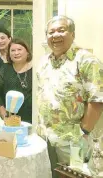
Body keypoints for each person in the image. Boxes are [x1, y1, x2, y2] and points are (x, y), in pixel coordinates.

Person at [36, 15, 103, 176]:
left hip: (73, 141)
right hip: (45, 138)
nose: (55, 35)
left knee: (72, 176)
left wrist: (83, 133)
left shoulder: (87, 61)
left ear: (72, 34)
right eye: (51, 32)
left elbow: (97, 100)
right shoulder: (44, 62)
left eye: (61, 30)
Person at [0, 39, 32, 123]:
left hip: (33, 118)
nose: (16, 53)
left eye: (19, 49)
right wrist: (5, 116)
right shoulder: (4, 69)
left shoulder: (35, 70)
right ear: (9, 54)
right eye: (13, 50)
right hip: (10, 120)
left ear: (27, 52)